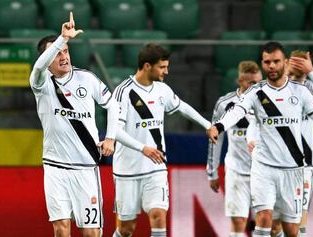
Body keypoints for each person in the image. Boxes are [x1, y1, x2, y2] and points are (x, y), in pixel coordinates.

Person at [206, 41, 313, 237]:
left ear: (284, 62)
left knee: (293, 230)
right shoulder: (255, 91)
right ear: (262, 63)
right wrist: (219, 125)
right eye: (267, 62)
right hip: (264, 167)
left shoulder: (302, 91)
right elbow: (239, 111)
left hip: (294, 168)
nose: (272, 66)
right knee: (264, 218)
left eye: (276, 61)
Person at [29, 12, 118, 237]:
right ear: (47, 58)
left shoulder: (86, 79)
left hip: (85, 168)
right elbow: (39, 68)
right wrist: (62, 39)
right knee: (61, 230)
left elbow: (114, 105)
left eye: (66, 51)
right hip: (55, 168)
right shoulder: (41, 83)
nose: (63, 56)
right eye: (57, 53)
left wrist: (111, 137)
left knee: (91, 233)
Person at [110, 43, 211, 237]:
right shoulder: (123, 92)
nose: (167, 71)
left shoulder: (162, 89)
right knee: (126, 229)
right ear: (147, 66)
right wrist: (143, 148)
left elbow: (182, 107)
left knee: (158, 216)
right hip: (127, 170)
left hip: (156, 167)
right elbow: (115, 131)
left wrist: (207, 125)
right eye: (162, 67)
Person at [270, 50, 313, 237]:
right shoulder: (274, 90)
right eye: (290, 73)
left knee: (297, 223)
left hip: (305, 165)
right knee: (275, 226)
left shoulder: (311, 91)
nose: (292, 78)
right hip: (276, 163)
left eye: (297, 75)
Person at [206, 61, 262, 237]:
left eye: (258, 83)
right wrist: (212, 171)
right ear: (240, 80)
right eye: (250, 83)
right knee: (238, 221)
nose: (254, 87)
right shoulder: (224, 103)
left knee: (265, 222)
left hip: (264, 171)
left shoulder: (269, 102)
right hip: (236, 170)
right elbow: (215, 138)